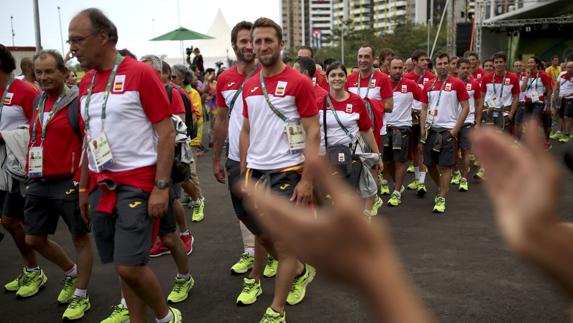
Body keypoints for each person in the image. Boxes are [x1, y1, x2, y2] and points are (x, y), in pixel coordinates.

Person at [68, 8, 181, 322]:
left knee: (128, 265)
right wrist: (84, 186)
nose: (72, 48)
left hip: (139, 183)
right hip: (101, 185)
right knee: (123, 263)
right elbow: (90, 137)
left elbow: (166, 131)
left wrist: (161, 187)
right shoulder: (86, 82)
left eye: (78, 40)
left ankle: (165, 317)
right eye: (70, 41)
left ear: (103, 37)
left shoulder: (139, 73)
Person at [239, 17, 320, 322]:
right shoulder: (249, 85)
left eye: (267, 41)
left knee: (284, 245)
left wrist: (307, 179)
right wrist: (245, 166)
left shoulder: (298, 82)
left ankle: (277, 310)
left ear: (281, 44)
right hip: (256, 173)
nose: (261, 46)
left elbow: (313, 132)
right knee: (261, 235)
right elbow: (247, 128)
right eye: (257, 41)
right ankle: (299, 270)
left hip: (289, 171)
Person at [22, 50, 94, 321]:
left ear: (64, 72)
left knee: (80, 238)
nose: (43, 77)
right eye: (39, 73)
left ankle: (81, 295)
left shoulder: (77, 102)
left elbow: (88, 144)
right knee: (33, 238)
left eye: (49, 71)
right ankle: (71, 273)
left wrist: (81, 183)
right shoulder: (38, 99)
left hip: (68, 181)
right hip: (39, 180)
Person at [212, 21, 274, 286]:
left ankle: (260, 268)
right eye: (244, 41)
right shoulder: (225, 79)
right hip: (236, 157)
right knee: (244, 213)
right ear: (234, 45)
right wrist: (216, 157)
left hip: (267, 158)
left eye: (253, 41)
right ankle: (272, 253)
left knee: (264, 213)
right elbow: (221, 120)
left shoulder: (270, 75)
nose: (249, 46)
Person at [0, 44, 42, 300]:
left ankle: (38, 270)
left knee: (12, 221)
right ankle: (31, 268)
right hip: (0, 168)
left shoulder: (24, 90)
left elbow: (39, 129)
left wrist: (5, 137)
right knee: (11, 223)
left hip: (18, 167)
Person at [320, 62, 382, 213]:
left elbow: (366, 129)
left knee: (351, 199)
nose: (337, 78)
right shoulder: (319, 101)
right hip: (326, 157)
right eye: (333, 75)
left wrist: (377, 155)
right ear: (326, 79)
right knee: (329, 201)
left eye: (341, 75)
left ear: (346, 78)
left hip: (351, 156)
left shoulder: (356, 101)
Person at [419, 53, 470, 213]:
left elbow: (466, 107)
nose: (442, 66)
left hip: (448, 131)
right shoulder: (428, 85)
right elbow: (424, 109)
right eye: (439, 63)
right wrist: (422, 131)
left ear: (449, 65)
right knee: (429, 164)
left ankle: (441, 198)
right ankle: (442, 187)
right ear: (434, 65)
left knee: (446, 166)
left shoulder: (457, 83)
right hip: (430, 131)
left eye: (445, 63)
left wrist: (455, 130)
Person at [346, 45, 393, 213]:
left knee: (372, 168)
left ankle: (368, 210)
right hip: (353, 132)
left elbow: (389, 106)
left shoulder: (382, 79)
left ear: (374, 59)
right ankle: (365, 203)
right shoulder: (350, 78)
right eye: (360, 56)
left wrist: (367, 104)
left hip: (374, 131)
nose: (362, 60)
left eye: (366, 57)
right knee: (355, 168)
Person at [384, 57, 422, 206]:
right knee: (387, 162)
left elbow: (424, 100)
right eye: (395, 68)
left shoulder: (411, 85)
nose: (398, 71)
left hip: (403, 128)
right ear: (389, 68)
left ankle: (397, 191)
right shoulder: (382, 83)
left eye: (401, 68)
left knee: (400, 160)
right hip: (385, 128)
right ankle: (397, 184)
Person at [171, 64, 206, 221]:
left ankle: (199, 198)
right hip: (185, 137)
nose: (172, 80)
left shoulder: (192, 93)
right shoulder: (179, 91)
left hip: (190, 137)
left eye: (174, 77)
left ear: (182, 78)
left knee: (190, 171)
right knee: (183, 169)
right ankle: (190, 196)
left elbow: (195, 114)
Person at [403, 49, 435, 197]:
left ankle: (422, 181)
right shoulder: (406, 77)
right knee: (414, 149)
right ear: (414, 62)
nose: (425, 62)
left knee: (422, 148)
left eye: (426, 60)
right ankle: (417, 178)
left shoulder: (432, 77)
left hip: (426, 118)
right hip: (410, 118)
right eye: (422, 60)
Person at [450, 58, 482, 191]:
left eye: (467, 68)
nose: (465, 70)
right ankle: (455, 172)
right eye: (462, 68)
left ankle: (464, 179)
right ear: (457, 69)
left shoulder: (474, 84)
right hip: (451, 122)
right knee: (451, 153)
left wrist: (478, 122)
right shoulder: (451, 83)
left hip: (467, 122)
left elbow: (479, 103)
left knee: (466, 152)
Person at [479, 52, 520, 132]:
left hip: (504, 113)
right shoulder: (486, 78)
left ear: (505, 63)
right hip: (488, 112)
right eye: (496, 62)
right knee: (489, 140)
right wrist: (480, 115)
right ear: (493, 64)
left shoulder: (513, 78)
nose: (498, 64)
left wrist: (511, 115)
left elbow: (516, 98)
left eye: (501, 62)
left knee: (503, 141)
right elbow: (481, 97)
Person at [521, 56, 553, 148]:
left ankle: (543, 142)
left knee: (534, 123)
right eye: (529, 63)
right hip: (527, 102)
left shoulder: (543, 75)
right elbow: (522, 89)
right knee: (528, 124)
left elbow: (549, 90)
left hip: (539, 102)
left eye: (532, 62)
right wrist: (526, 78)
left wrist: (548, 105)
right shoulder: (527, 75)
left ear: (537, 64)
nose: (529, 64)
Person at [553, 60, 573, 143]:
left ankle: (567, 134)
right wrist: (554, 94)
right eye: (568, 67)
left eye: (571, 67)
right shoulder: (562, 74)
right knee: (560, 116)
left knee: (567, 117)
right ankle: (560, 132)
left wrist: (568, 95)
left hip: (571, 99)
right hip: (561, 98)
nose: (569, 69)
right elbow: (557, 85)